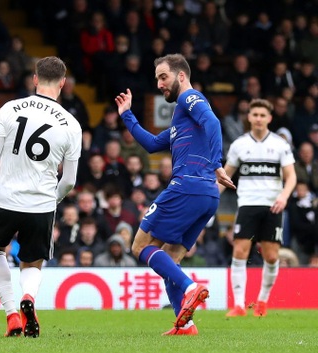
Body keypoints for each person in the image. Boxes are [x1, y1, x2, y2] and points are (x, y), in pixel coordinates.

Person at [114, 53, 235, 336]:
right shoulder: (183, 121)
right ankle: (186, 325)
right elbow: (153, 144)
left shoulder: (189, 98)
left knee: (139, 246)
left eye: (163, 76)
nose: (159, 83)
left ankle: (191, 287)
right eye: (157, 78)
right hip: (207, 196)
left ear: (181, 76)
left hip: (187, 186)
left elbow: (214, 124)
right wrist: (127, 115)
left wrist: (216, 164)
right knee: (170, 257)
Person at [0, 56, 82, 338]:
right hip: (40, 204)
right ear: (63, 83)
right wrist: (49, 202)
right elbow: (69, 180)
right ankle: (27, 296)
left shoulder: (10, 108)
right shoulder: (71, 124)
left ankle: (10, 315)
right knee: (32, 262)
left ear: (35, 79)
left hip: (4, 199)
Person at [221, 99, 297, 318]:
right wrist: (210, 196)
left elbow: (291, 176)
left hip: (273, 205)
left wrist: (283, 197)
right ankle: (238, 305)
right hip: (247, 204)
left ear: (269, 118)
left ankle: (262, 301)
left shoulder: (280, 145)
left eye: (263, 115)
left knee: (272, 257)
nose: (258, 119)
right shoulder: (239, 144)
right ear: (249, 117)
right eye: (255, 115)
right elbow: (225, 176)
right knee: (239, 252)